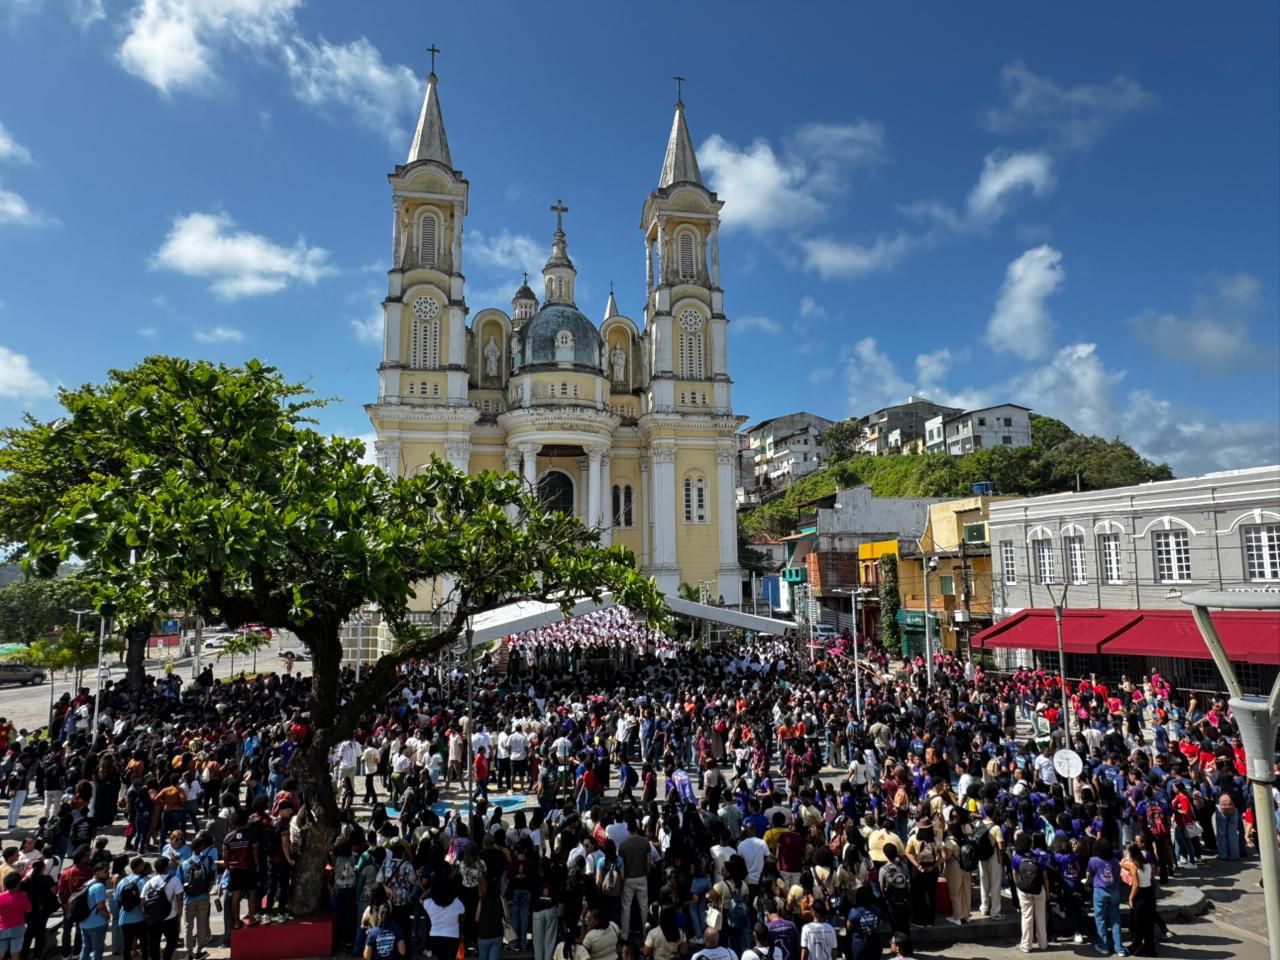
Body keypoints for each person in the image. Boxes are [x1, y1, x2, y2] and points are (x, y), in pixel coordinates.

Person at [179, 832, 216, 960]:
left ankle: (189, 953)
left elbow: (180, 882)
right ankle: (199, 950)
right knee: (201, 925)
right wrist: (208, 890)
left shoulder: (184, 864)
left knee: (188, 926)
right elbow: (212, 877)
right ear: (201, 847)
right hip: (203, 898)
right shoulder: (207, 860)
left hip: (188, 899)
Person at [1086, 839, 1125, 957]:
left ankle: (1103, 946)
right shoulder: (1115, 861)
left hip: (1099, 891)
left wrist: (1087, 883)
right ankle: (1119, 947)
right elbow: (1117, 875)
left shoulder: (1093, 860)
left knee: (1100, 919)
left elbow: (1088, 875)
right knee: (1116, 919)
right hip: (1114, 891)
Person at [1011, 834, 1048, 954]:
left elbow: (1014, 874)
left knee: (1027, 917)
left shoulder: (1016, 857)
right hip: (1038, 889)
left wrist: (1019, 886)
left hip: (1024, 890)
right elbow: (1045, 877)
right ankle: (1043, 944)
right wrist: (1047, 891)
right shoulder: (1038, 856)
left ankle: (1026, 945)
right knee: (1041, 917)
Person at [142, 855, 183, 960]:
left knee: (154, 942)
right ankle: (166, 957)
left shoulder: (149, 882)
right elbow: (179, 899)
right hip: (170, 916)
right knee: (172, 941)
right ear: (167, 867)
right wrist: (180, 913)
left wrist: (146, 915)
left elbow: (142, 900)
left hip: (154, 918)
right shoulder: (175, 880)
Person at [1122, 843, 1157, 957]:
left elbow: (1136, 884)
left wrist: (1131, 897)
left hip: (1140, 896)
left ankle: (1136, 947)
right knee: (1148, 923)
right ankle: (1150, 948)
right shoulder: (1147, 864)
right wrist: (1122, 864)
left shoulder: (1134, 865)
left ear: (1131, 854)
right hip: (1149, 894)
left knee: (1138, 924)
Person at [114, 858, 151, 960]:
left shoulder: (123, 881)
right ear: (140, 866)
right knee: (144, 944)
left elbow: (117, 899)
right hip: (141, 918)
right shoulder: (146, 880)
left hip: (125, 919)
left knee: (127, 945)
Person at [421, 874, 464, 960]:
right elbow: (462, 921)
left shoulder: (430, 904)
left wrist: (432, 889)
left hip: (435, 938)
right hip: (453, 937)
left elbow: (421, 899)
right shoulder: (457, 903)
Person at [77, 861, 111, 960]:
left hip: (84, 922)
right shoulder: (99, 886)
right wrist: (107, 916)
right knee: (97, 950)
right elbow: (101, 906)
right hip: (97, 923)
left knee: (85, 948)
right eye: (105, 871)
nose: (108, 873)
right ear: (97, 873)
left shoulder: (87, 883)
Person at [0, 870, 30, 960]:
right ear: (18, 884)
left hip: (2, 928)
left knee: (1, 953)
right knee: (15, 954)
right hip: (18, 929)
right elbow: (28, 909)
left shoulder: (0, 897)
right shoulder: (23, 896)